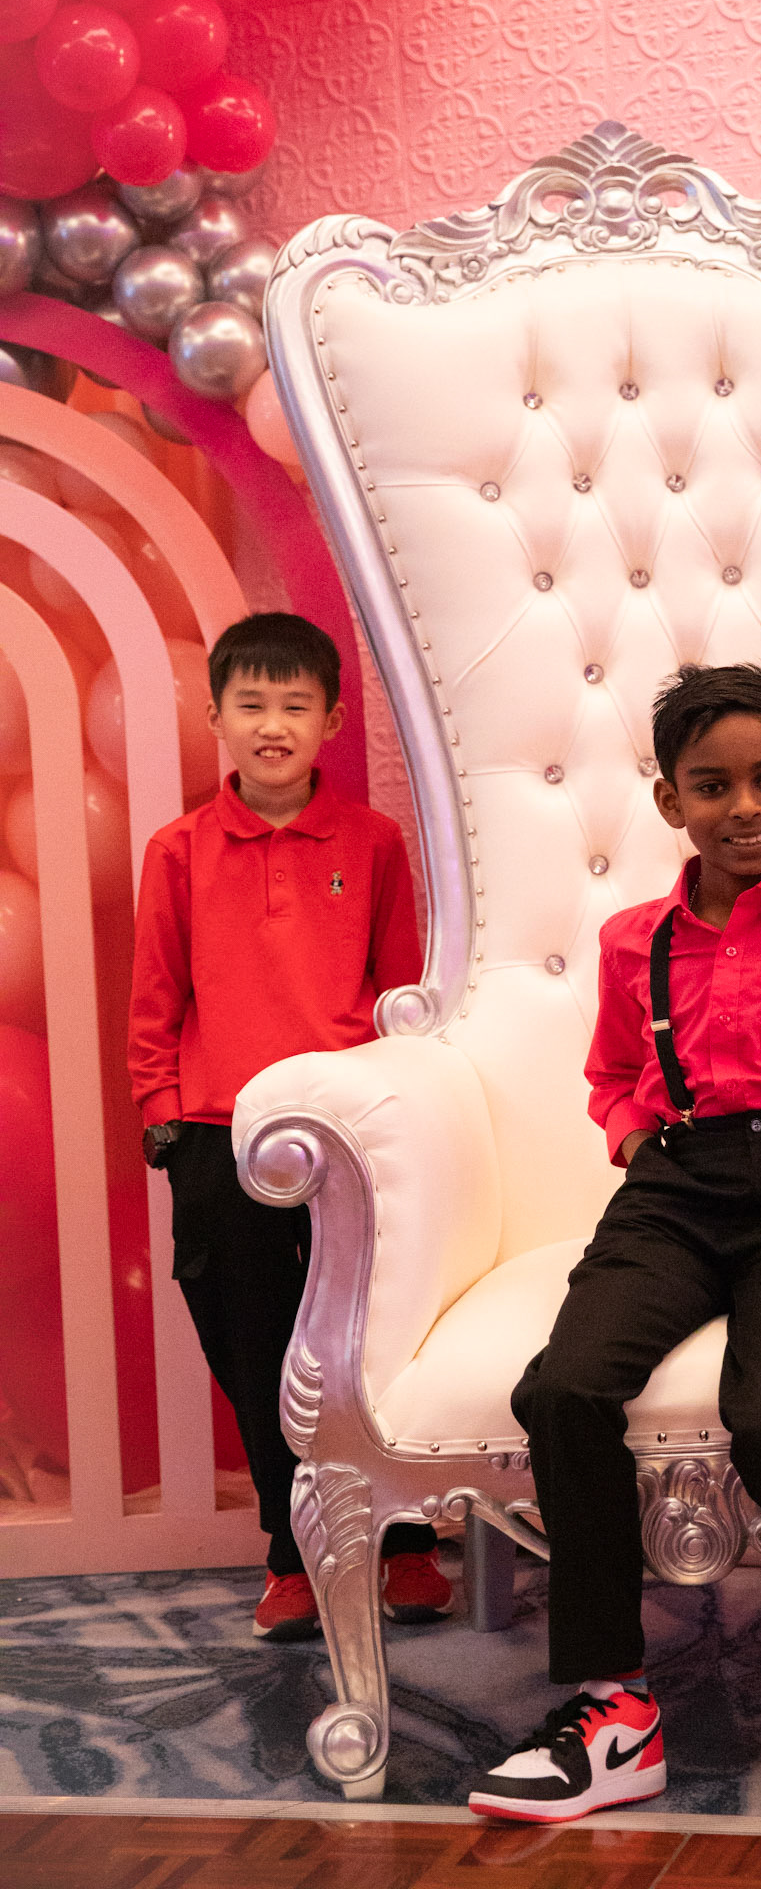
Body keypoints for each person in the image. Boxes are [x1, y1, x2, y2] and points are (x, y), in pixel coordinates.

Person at [469, 663, 761, 1829]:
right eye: (712, 785)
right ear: (671, 801)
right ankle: (617, 1706)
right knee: (562, 1388)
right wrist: (633, 1142)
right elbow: (613, 1074)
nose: (744, 807)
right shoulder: (635, 941)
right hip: (673, 1190)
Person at [128, 612, 452, 1641]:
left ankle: (404, 1542)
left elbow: (399, 995)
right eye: (252, 704)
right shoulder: (177, 851)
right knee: (255, 1346)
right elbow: (155, 998)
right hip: (221, 1133)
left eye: (295, 705)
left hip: (354, 1136)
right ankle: (292, 1552)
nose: (273, 725)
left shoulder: (374, 842)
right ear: (216, 717)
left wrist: (404, 1112)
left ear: (331, 722)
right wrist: (164, 1119)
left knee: (373, 1340)